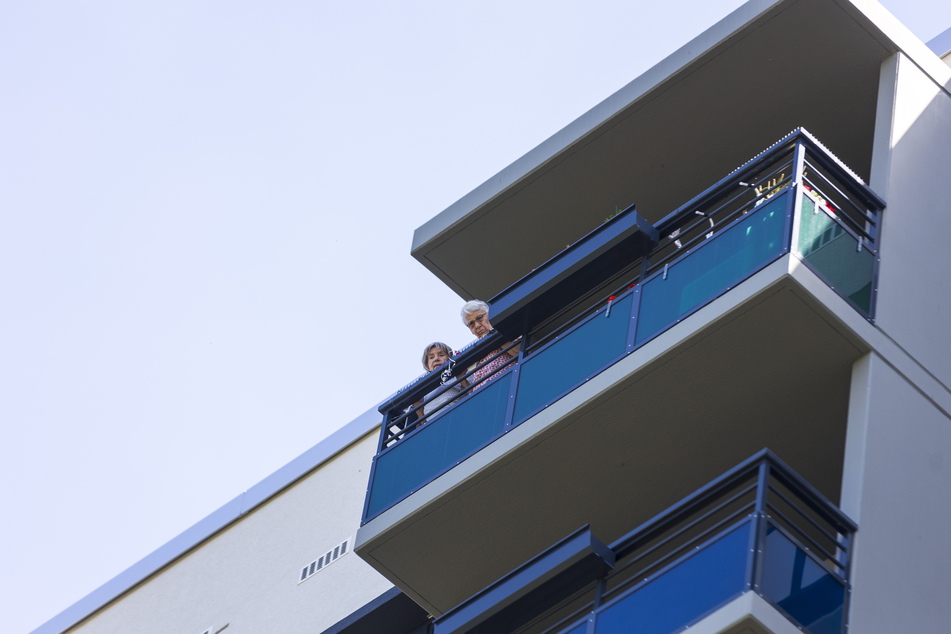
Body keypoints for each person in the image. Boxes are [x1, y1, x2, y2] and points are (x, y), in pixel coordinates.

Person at [461, 300, 520, 389]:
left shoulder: (507, 330)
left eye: (480, 318)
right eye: (471, 324)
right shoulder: (476, 350)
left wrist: (493, 332)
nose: (477, 325)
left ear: (490, 315)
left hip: (507, 387)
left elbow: (521, 352)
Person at [418, 342, 467, 419]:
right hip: (433, 425)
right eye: (431, 357)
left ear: (449, 358)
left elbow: (475, 394)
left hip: (455, 417)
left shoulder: (461, 373)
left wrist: (462, 378)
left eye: (441, 355)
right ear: (427, 365)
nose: (436, 359)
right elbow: (421, 422)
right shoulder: (423, 387)